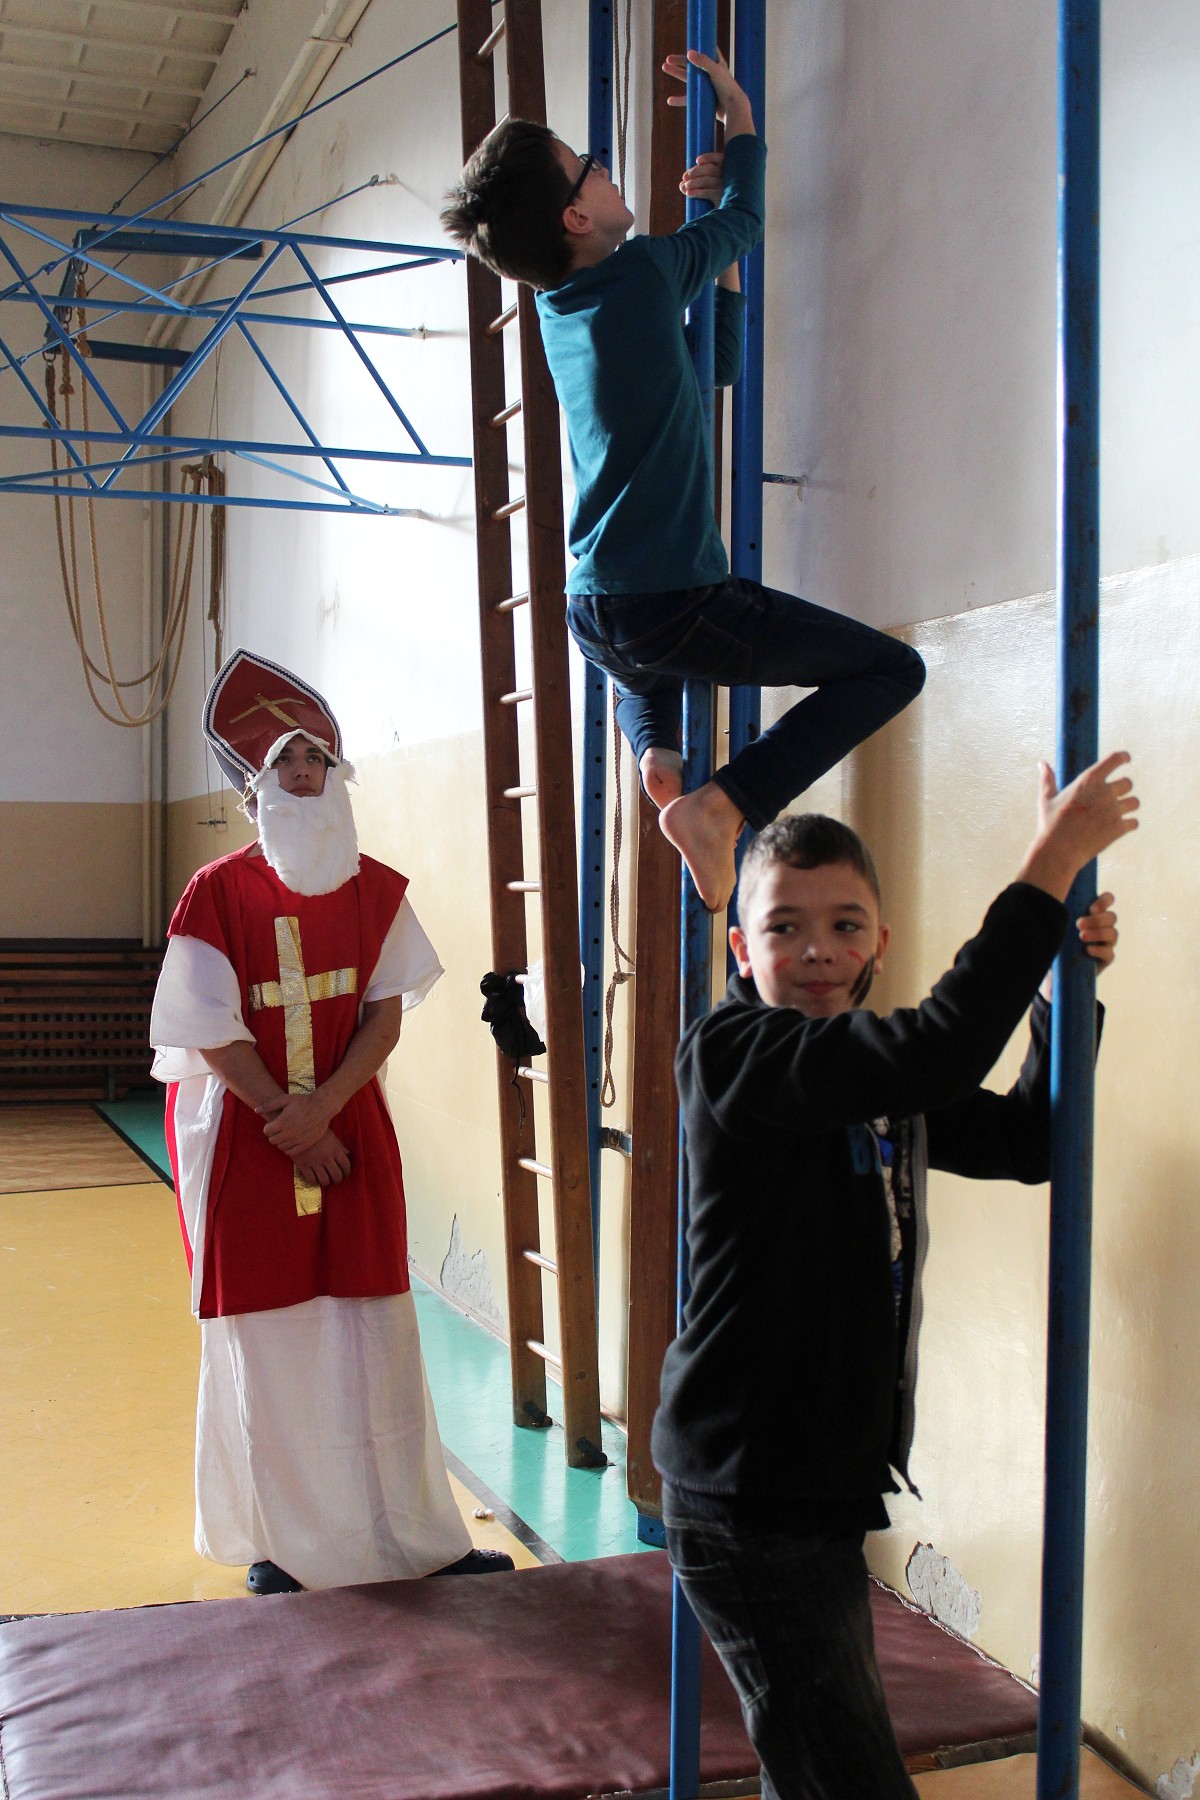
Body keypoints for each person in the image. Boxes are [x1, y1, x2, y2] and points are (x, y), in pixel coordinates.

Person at [651, 751, 1139, 1799]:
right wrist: (1049, 866)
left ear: (880, 942)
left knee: (819, 1771)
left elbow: (1030, 1141)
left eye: (844, 925)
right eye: (785, 928)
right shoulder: (736, 1054)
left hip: (811, 1490)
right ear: (742, 948)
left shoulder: (867, 1069)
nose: (817, 952)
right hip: (748, 1496)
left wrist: (1058, 989)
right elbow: (936, 1049)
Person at [442, 49, 925, 912]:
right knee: (891, 671)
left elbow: (717, 363)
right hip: (670, 601)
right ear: (575, 216)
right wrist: (740, 120)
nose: (605, 169)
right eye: (589, 167)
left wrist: (714, 243)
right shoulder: (642, 269)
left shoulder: (561, 310)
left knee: (649, 672)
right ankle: (723, 806)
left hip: (598, 612)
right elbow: (746, 219)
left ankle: (656, 753)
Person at [150, 648, 513, 1594]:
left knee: (375, 1330)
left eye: (317, 758)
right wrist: (292, 1122)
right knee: (271, 1340)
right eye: (286, 762)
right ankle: (282, 1545)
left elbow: (385, 1015)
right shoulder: (216, 894)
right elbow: (207, 1027)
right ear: (255, 786)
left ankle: (414, 1536)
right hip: (254, 1139)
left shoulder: (375, 889)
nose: (306, 774)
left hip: (348, 1131)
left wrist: (324, 1113)